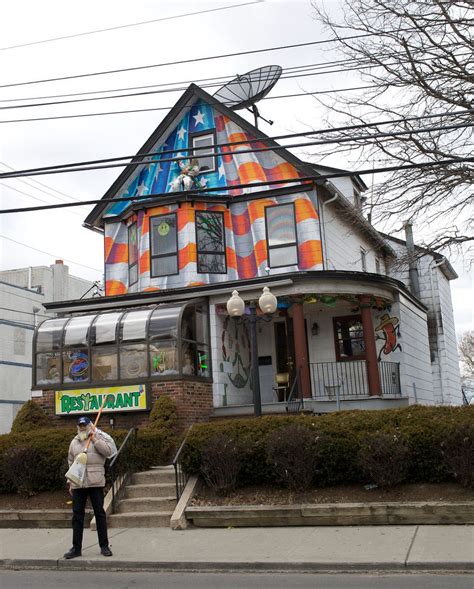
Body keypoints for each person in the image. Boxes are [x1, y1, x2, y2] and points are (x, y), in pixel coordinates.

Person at [63, 416, 114, 559]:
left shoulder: (98, 438)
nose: (82, 427)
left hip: (95, 482)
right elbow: (71, 462)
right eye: (80, 425)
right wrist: (70, 482)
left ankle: (104, 546)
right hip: (78, 484)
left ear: (90, 425)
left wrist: (95, 439)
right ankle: (76, 548)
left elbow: (108, 452)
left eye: (85, 425)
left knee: (100, 514)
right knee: (77, 516)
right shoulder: (74, 442)